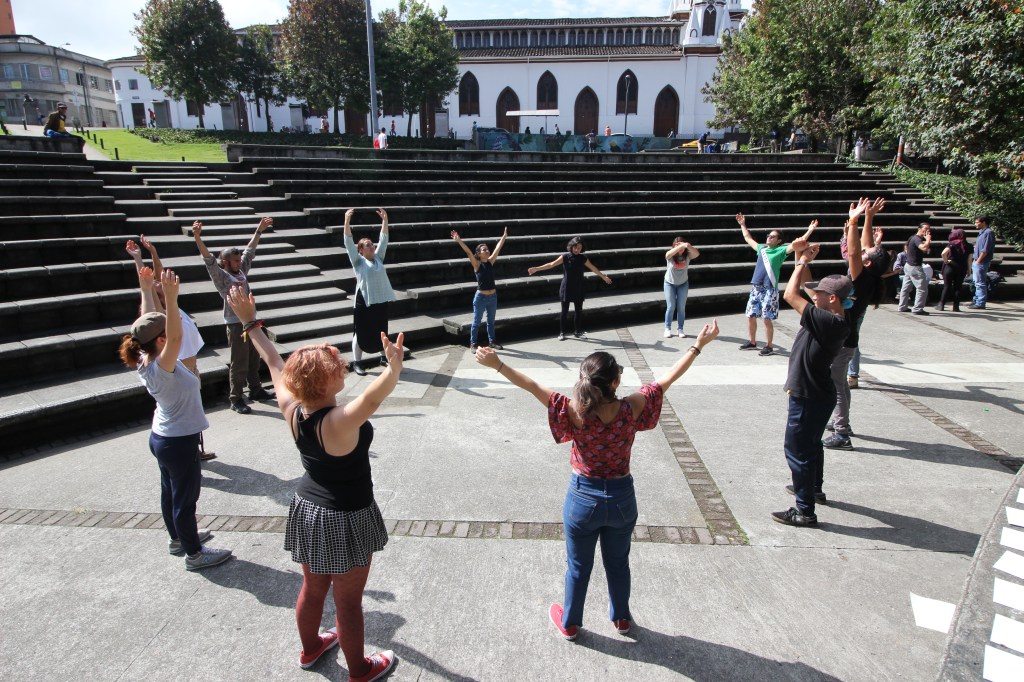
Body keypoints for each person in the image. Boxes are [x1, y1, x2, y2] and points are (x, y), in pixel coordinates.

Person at [474, 320, 720, 639]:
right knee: (618, 563)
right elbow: (668, 377)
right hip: (622, 499)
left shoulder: (573, 410)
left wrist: (497, 364)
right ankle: (621, 618)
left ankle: (570, 623)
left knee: (578, 566)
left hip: (582, 499)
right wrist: (697, 346)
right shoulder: (633, 407)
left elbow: (531, 385)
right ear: (616, 381)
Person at [225, 287, 399, 679]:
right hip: (346, 515)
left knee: (313, 587)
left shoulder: (292, 408)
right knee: (348, 602)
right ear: (323, 383)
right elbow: (372, 400)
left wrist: (249, 322)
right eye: (335, 367)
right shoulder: (338, 421)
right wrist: (393, 369)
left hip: (308, 509)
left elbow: (273, 360)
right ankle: (360, 669)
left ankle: (311, 648)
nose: (341, 366)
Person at [119, 269, 233, 570]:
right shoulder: (163, 365)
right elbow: (176, 334)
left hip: (163, 437)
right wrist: (171, 298)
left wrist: (146, 288)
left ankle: (178, 539)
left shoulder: (145, 356)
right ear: (161, 340)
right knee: (185, 499)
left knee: (170, 493)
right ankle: (194, 554)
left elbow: (146, 322)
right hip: (178, 441)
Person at [774, 246, 852, 527]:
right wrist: (803, 260)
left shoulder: (826, 320)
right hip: (818, 393)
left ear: (832, 298)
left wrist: (801, 262)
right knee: (812, 445)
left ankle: (804, 510)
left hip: (807, 395)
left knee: (797, 450)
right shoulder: (831, 316)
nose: (813, 295)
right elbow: (806, 291)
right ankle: (814, 489)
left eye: (819, 293)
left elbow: (789, 295)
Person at [127, 236, 215, 460]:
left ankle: (194, 449)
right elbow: (168, 329)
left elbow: (150, 288)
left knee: (191, 409)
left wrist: (147, 257)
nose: (160, 283)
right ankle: (193, 451)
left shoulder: (168, 317)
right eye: (157, 287)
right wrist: (163, 294)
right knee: (187, 411)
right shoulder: (165, 323)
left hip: (188, 371)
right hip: (180, 374)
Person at [822, 198, 891, 451]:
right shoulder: (869, 276)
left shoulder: (861, 277)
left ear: (868, 262)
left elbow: (854, 252)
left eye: (866, 254)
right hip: (848, 340)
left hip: (842, 341)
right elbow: (865, 248)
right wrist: (868, 218)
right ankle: (843, 424)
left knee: (836, 385)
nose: (862, 251)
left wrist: (853, 221)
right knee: (840, 383)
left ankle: (841, 433)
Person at [193, 217, 275, 414]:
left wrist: (259, 230)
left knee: (254, 358)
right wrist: (197, 237)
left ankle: (255, 389)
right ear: (225, 262)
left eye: (239, 260)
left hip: (251, 320)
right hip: (235, 323)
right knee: (239, 362)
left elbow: (250, 251)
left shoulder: (242, 270)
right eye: (235, 261)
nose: (239, 262)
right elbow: (208, 260)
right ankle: (236, 398)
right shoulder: (221, 276)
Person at [736, 213, 819, 355]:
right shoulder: (762, 249)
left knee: (766, 319)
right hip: (756, 287)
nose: (769, 237)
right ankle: (752, 342)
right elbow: (748, 238)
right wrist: (743, 224)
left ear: (779, 240)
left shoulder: (781, 250)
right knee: (750, 315)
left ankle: (768, 346)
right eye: (768, 235)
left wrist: (810, 230)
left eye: (772, 236)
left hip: (769, 289)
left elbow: (798, 244)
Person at [344, 208, 396, 377]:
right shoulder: (358, 261)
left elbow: (384, 239)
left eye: (372, 244)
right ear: (360, 250)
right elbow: (348, 241)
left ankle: (383, 357)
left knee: (381, 330)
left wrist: (385, 221)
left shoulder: (378, 258)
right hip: (364, 301)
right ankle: (357, 362)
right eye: (367, 245)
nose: (372, 246)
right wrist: (346, 221)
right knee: (360, 332)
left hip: (380, 300)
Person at [528, 237, 612, 341]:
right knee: (564, 311)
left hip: (578, 287)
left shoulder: (583, 258)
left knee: (578, 311)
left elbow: (593, 268)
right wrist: (536, 269)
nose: (577, 250)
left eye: (579, 248)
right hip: (566, 287)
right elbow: (551, 265)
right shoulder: (565, 257)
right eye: (575, 247)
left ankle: (577, 332)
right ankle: (562, 332)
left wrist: (603, 277)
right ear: (571, 247)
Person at [451, 227, 510, 352]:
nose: (487, 251)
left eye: (487, 249)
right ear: (478, 253)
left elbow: (498, 248)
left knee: (491, 321)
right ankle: (473, 343)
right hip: (481, 297)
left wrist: (504, 237)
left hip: (493, 297)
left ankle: (492, 342)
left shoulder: (490, 261)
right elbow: (468, 252)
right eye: (484, 250)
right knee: (476, 322)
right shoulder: (477, 264)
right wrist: (459, 240)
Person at [663, 236, 700, 338]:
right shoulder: (671, 255)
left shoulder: (687, 256)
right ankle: (667, 328)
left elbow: (697, 254)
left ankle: (680, 328)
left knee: (681, 307)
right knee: (671, 306)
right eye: (677, 245)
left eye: (682, 246)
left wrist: (687, 245)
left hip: (683, 284)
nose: (680, 248)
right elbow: (667, 255)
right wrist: (679, 247)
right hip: (669, 283)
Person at [898, 222, 932, 314]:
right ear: (919, 229)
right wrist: (928, 240)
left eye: (928, 229)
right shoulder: (917, 239)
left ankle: (902, 306)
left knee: (906, 288)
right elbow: (923, 248)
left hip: (908, 265)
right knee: (922, 288)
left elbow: (908, 247)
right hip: (915, 267)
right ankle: (917, 309)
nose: (927, 231)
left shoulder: (913, 237)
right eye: (925, 228)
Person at [937, 228, 970, 312]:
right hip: (962, 267)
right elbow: (969, 259)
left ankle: (941, 305)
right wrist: (969, 269)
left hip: (950, 267)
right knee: (958, 287)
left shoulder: (952, 244)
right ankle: (956, 307)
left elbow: (943, 253)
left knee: (947, 286)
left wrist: (946, 261)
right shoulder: (968, 245)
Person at [969, 215, 994, 310]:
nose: (975, 224)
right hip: (977, 260)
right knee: (976, 282)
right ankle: (976, 300)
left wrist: (978, 261)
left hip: (981, 262)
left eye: (977, 222)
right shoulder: (981, 232)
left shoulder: (988, 233)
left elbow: (986, 249)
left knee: (980, 283)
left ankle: (980, 303)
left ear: (984, 222)